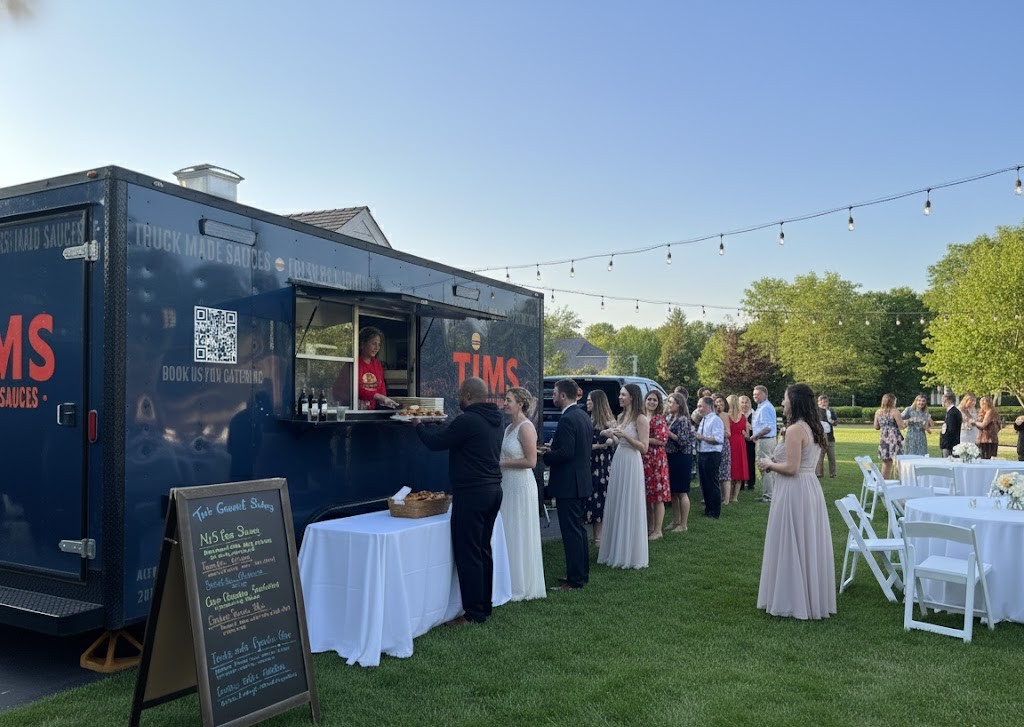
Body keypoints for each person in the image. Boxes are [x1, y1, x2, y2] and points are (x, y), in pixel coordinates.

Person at [413, 377, 502, 625]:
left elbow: (437, 441)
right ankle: (484, 605)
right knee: (483, 549)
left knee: (468, 553)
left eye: (461, 394)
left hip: (472, 493)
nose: (458, 398)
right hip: (493, 490)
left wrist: (418, 424)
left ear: (469, 396)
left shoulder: (468, 420)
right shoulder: (495, 418)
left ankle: (473, 613)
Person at [756, 383, 836, 620]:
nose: (782, 403)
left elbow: (791, 468)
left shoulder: (794, 431)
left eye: (785, 399)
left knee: (790, 541)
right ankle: (808, 596)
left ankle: (791, 599)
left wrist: (769, 464)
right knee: (806, 541)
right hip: (809, 487)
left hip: (794, 490)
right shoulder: (811, 427)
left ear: (795, 402)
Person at [543, 379, 593, 590]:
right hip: (580, 481)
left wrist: (546, 455)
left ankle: (575, 580)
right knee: (579, 530)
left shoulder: (568, 419)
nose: (552, 397)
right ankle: (581, 573)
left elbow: (566, 453)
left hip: (569, 484)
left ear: (563, 396)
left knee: (571, 532)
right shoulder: (582, 415)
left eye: (554, 393)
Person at [498, 387, 546, 601]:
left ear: (520, 403)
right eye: (505, 400)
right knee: (508, 529)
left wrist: (500, 463)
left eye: (508, 400)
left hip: (521, 485)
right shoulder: (509, 427)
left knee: (519, 531)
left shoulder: (526, 428)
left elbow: (531, 462)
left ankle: (522, 584)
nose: (505, 403)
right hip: (507, 484)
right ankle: (507, 580)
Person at [597, 384, 649, 569]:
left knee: (629, 503)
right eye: (620, 394)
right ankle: (614, 549)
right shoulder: (621, 416)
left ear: (632, 397)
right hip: (619, 460)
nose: (620, 397)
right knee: (617, 501)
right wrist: (609, 435)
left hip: (632, 462)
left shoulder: (641, 419)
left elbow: (644, 447)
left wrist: (626, 437)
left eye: (623, 394)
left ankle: (629, 552)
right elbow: (618, 441)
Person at [584, 389, 616, 548]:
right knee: (592, 498)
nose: (587, 402)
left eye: (590, 400)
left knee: (600, 499)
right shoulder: (590, 419)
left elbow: (615, 440)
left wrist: (604, 441)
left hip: (602, 466)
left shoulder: (608, 421)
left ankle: (599, 538)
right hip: (591, 464)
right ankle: (597, 537)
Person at [642, 389, 671, 539]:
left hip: (656, 460)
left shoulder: (659, 419)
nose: (651, 402)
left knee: (658, 496)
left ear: (658, 403)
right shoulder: (641, 417)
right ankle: (650, 527)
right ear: (645, 401)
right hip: (643, 459)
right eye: (649, 399)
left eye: (655, 400)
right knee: (648, 496)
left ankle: (658, 530)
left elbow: (662, 440)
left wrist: (644, 439)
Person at [665, 392, 694, 533]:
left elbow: (683, 440)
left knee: (682, 492)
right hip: (671, 456)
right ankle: (675, 520)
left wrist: (668, 433)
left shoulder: (682, 420)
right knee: (674, 492)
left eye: (671, 402)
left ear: (679, 404)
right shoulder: (670, 418)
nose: (668, 405)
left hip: (681, 457)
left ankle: (683, 524)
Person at [694, 396, 724, 518]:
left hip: (712, 454)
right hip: (702, 452)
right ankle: (708, 508)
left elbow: (718, 439)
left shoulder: (715, 420)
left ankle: (715, 511)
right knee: (704, 482)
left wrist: (703, 437)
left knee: (712, 482)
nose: (698, 409)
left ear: (709, 406)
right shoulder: (703, 420)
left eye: (701, 406)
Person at [355, 326, 398, 410]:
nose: (377, 348)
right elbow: (354, 389)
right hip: (355, 411)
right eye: (373, 343)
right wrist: (378, 396)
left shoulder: (377, 364)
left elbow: (381, 388)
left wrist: (385, 400)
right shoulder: (354, 363)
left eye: (379, 344)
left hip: (372, 411)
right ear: (362, 344)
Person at [750, 385, 778, 502]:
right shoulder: (762, 406)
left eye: (758, 394)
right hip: (766, 439)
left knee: (765, 465)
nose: (755, 396)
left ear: (765, 394)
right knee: (769, 466)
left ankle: (769, 495)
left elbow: (767, 427)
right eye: (754, 394)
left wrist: (756, 435)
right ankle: (773, 493)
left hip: (765, 440)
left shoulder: (765, 407)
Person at [873, 393, 905, 480]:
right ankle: (894, 481)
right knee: (895, 462)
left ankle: (884, 482)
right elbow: (901, 426)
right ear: (893, 401)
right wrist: (907, 422)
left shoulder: (878, 412)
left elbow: (876, 427)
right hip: (893, 438)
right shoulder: (894, 411)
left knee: (885, 462)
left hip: (883, 438)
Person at [726, 394, 749, 503]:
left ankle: (728, 495)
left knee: (730, 468)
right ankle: (735, 497)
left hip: (730, 442)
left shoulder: (726, 416)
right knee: (739, 468)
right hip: (740, 443)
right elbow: (746, 433)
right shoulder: (743, 417)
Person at [713, 395, 734, 506]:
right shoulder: (710, 415)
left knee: (725, 472)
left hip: (723, 445)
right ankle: (719, 496)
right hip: (713, 446)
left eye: (721, 402)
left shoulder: (725, 415)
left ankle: (726, 499)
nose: (719, 404)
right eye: (716, 402)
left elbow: (728, 433)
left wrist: (716, 434)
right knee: (716, 472)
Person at [815, 395, 838, 478]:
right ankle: (819, 473)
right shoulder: (816, 411)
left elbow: (836, 422)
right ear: (818, 402)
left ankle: (833, 473)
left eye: (826, 402)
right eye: (822, 402)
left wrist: (833, 422)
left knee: (831, 456)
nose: (824, 404)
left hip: (830, 437)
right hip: (820, 437)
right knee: (820, 456)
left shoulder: (831, 411)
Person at [975, 395, 1002, 460]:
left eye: (983, 404)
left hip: (988, 439)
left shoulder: (990, 412)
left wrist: (974, 423)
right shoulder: (984, 412)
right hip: (984, 438)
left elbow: (984, 424)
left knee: (987, 458)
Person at [739, 395, 757, 490]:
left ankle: (751, 483)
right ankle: (740, 483)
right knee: (741, 462)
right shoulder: (737, 414)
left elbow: (757, 427)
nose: (744, 404)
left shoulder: (753, 414)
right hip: (740, 440)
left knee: (750, 461)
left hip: (750, 440)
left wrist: (750, 427)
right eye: (742, 402)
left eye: (746, 402)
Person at [939, 392, 962, 458]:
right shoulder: (952, 411)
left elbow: (951, 430)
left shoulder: (952, 413)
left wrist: (945, 443)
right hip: (950, 443)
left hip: (950, 444)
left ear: (947, 400)